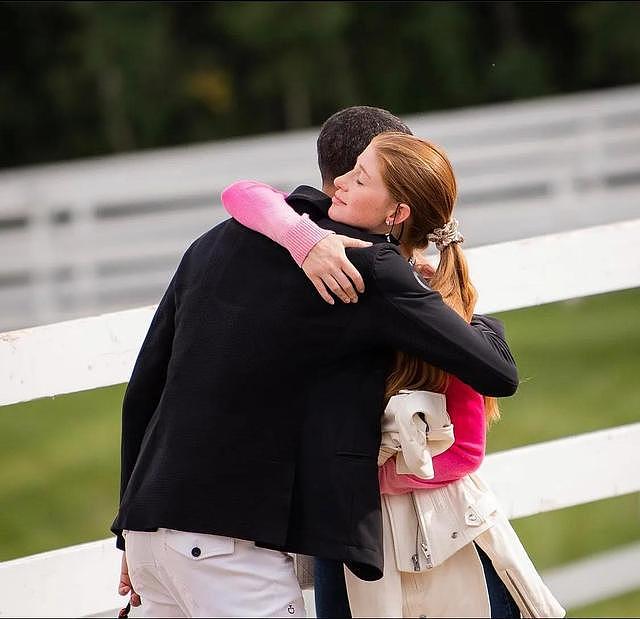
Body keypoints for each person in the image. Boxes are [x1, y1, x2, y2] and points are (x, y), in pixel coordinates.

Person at [113, 106, 518, 618]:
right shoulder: (369, 265)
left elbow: (142, 393)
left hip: (151, 531)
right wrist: (461, 308)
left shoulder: (217, 239)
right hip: (231, 549)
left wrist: (129, 530)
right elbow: (497, 372)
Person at [220, 130, 560, 617]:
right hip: (354, 534)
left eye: (360, 177)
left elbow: (467, 445)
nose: (340, 182)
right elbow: (242, 192)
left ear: (396, 213)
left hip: (436, 529)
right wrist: (305, 241)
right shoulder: (330, 252)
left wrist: (365, 468)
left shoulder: (417, 296)